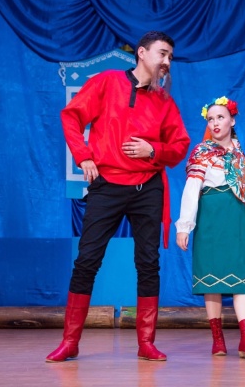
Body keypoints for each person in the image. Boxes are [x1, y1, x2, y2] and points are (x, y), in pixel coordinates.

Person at [46, 31, 190, 363]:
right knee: (87, 260)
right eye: (162, 53)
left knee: (148, 263)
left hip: (147, 188)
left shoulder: (164, 102)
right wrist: (83, 156)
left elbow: (180, 145)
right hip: (108, 184)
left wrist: (153, 150)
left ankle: (146, 343)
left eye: (171, 57)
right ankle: (70, 342)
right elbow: (71, 116)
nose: (167, 61)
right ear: (141, 53)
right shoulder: (107, 82)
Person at [175, 96, 245, 358]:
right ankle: (218, 339)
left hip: (239, 218)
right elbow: (192, 188)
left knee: (242, 277)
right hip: (210, 218)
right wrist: (184, 226)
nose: (215, 123)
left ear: (232, 121)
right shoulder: (201, 152)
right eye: (211, 119)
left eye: (220, 117)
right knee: (211, 278)